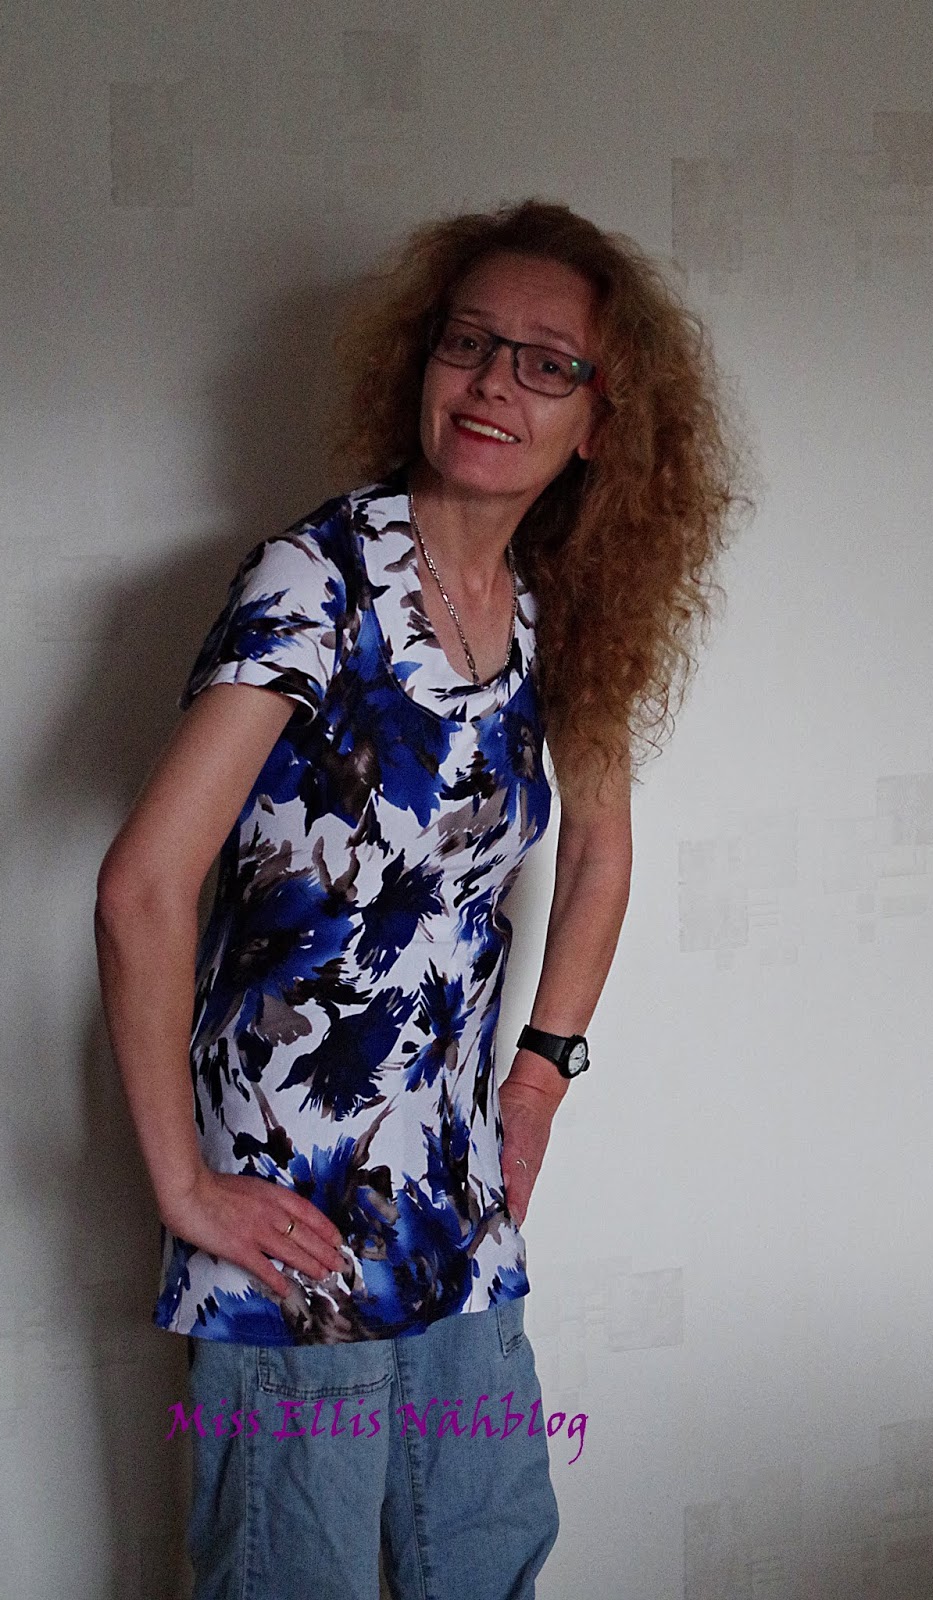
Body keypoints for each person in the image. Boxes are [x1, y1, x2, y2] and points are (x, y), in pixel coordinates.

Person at [95, 197, 744, 1600]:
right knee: (299, 1574)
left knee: (486, 1555)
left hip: (453, 1187)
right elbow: (143, 883)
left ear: (603, 419)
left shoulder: (555, 609)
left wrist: (539, 1080)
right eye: (469, 342)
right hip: (295, 1206)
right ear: (422, 361)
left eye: (546, 362)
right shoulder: (317, 579)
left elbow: (600, 852)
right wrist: (184, 1184)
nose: (496, 383)